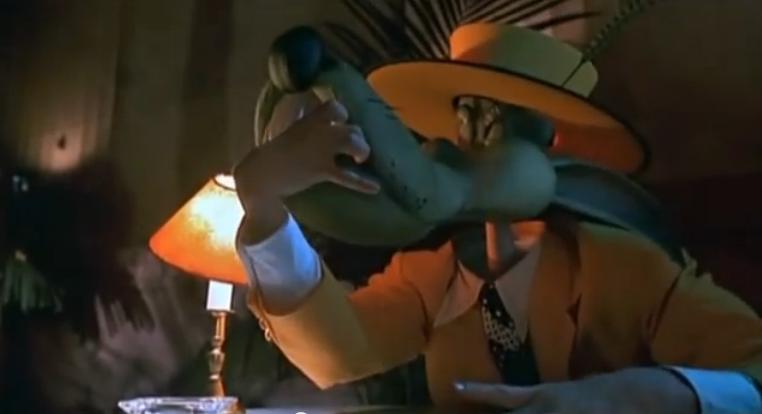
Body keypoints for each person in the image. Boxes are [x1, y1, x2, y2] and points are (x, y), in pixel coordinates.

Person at [232, 17, 762, 414]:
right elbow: (337, 353)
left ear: (552, 142)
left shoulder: (621, 268)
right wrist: (264, 209)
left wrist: (633, 396)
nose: (477, 130)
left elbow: (754, 372)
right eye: (467, 111)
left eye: (501, 115)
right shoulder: (432, 278)